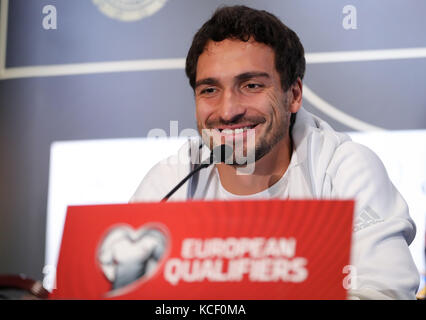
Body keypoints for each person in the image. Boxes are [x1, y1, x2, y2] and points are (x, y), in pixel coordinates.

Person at [130, 5, 419, 299]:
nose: (228, 111)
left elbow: (383, 293)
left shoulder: (345, 169)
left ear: (293, 95)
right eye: (209, 90)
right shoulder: (169, 182)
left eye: (251, 85)